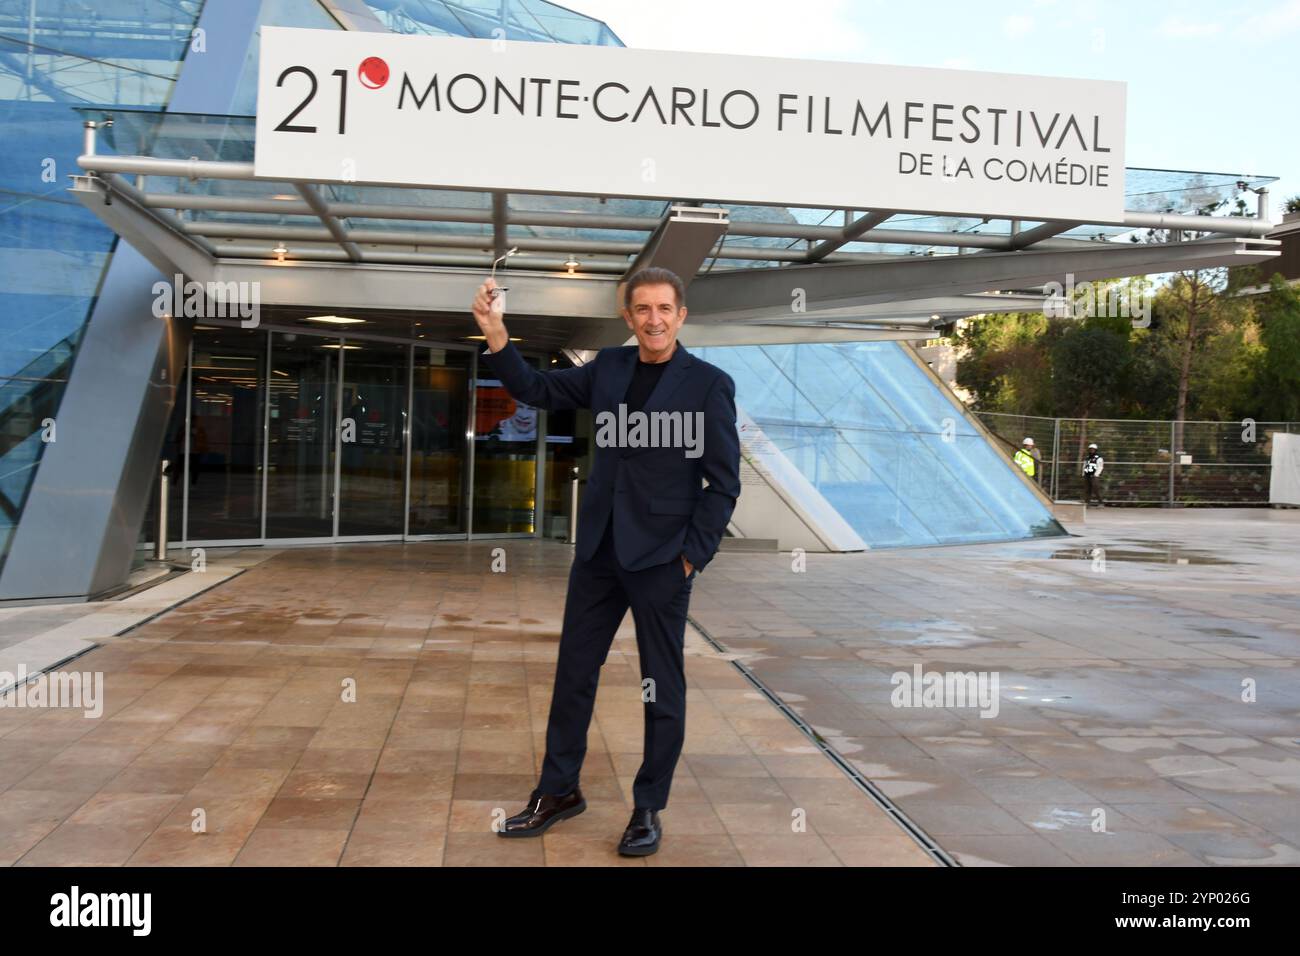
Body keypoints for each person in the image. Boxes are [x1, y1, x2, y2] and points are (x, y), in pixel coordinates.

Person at [470, 265, 741, 856]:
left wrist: (691, 559)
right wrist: (496, 333)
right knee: (573, 676)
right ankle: (559, 791)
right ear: (628, 317)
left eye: (664, 309)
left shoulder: (708, 384)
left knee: (659, 687)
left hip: (662, 562)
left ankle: (648, 807)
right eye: (642, 309)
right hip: (598, 553)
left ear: (681, 315)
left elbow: (722, 484)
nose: (653, 319)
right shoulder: (610, 368)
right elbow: (538, 391)